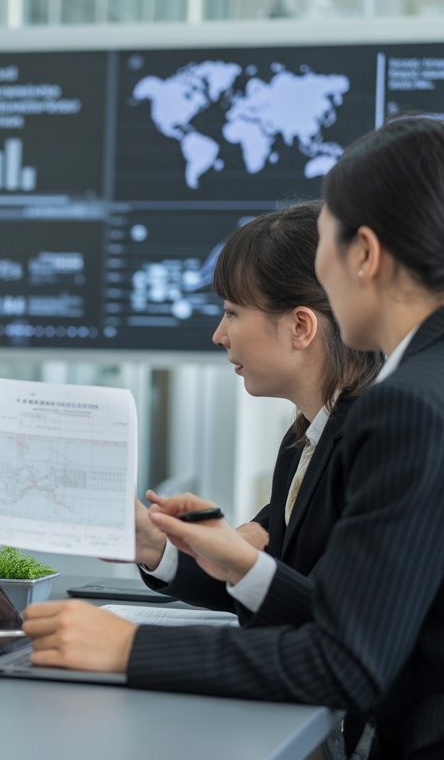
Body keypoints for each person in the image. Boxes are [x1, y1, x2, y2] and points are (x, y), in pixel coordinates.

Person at [22, 117, 444, 758]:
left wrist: (125, 647)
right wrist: (217, 557)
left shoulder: (409, 408)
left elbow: (346, 662)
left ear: (365, 254)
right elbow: (359, 620)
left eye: (325, 239)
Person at [135, 202, 380, 618]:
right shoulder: (304, 438)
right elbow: (265, 586)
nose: (219, 335)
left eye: (232, 312)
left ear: (301, 326)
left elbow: (330, 624)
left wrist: (125, 649)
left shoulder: (375, 441)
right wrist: (153, 544)